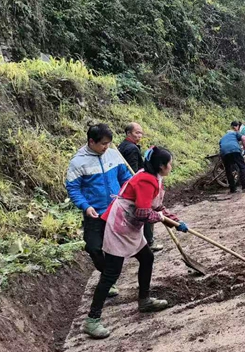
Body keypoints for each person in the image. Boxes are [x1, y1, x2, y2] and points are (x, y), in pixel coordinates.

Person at [82, 147, 188, 339]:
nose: (171, 166)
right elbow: (143, 213)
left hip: (130, 225)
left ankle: (144, 300)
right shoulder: (146, 180)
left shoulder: (153, 177)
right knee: (111, 274)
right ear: (161, 166)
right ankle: (92, 320)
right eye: (170, 163)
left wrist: (176, 221)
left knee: (147, 258)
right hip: (120, 226)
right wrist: (163, 219)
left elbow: (157, 206)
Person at [66, 124, 133, 299]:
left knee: (116, 248)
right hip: (94, 213)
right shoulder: (78, 162)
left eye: (109, 143)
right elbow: (73, 189)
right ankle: (108, 277)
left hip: (116, 210)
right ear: (91, 141)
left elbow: (125, 178)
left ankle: (108, 281)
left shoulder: (113, 155)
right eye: (103, 144)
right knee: (93, 247)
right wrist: (86, 206)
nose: (106, 147)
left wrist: (131, 193)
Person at [117, 122, 159, 251]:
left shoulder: (123, 146)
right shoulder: (131, 149)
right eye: (137, 133)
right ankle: (148, 242)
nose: (139, 135)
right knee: (145, 211)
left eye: (141, 133)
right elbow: (133, 171)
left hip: (124, 186)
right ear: (128, 133)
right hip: (135, 185)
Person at [219, 122, 245, 193]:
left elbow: (221, 146)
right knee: (242, 167)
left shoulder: (223, 138)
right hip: (235, 150)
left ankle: (232, 189)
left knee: (228, 170)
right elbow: (244, 138)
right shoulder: (235, 133)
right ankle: (244, 186)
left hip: (224, 153)